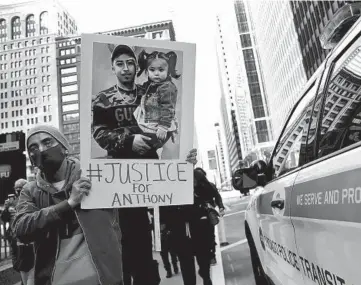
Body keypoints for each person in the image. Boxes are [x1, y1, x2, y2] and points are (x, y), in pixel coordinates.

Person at [92, 44, 198, 285]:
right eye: (120, 64)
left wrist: (184, 157)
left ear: (137, 66)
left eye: (130, 63)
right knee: (128, 246)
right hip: (121, 181)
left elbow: (172, 123)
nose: (126, 68)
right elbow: (98, 134)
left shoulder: (153, 90)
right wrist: (129, 141)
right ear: (113, 68)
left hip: (155, 177)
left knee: (150, 257)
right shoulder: (103, 99)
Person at [13, 125, 123, 285]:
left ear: (64, 147)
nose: (42, 150)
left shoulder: (95, 175)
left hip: (104, 279)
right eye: (33, 147)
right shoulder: (30, 190)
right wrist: (69, 203)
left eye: (48, 142)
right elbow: (22, 229)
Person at [160, 170, 217, 285]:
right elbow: (163, 209)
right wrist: (163, 223)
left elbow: (211, 194)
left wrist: (196, 182)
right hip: (179, 231)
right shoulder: (167, 187)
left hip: (199, 228)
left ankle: (206, 276)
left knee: (204, 260)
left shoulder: (195, 179)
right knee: (186, 266)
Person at [134, 50, 180, 149]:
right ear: (147, 70)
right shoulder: (150, 84)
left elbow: (168, 108)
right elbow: (141, 90)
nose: (156, 74)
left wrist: (163, 127)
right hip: (150, 124)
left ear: (168, 70)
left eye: (161, 70)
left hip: (160, 127)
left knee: (144, 146)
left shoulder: (167, 88)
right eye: (152, 70)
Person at [1, 179, 35, 285]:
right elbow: (4, 218)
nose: (18, 191)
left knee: (26, 264)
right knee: (17, 263)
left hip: (27, 239)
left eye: (20, 189)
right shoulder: (11, 202)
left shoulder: (31, 199)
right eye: (16, 189)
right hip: (14, 238)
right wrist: (6, 209)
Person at [194, 167, 225, 265]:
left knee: (208, 235)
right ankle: (210, 255)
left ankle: (211, 255)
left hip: (206, 213)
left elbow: (217, 196)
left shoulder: (208, 186)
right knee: (208, 235)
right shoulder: (192, 187)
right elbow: (217, 196)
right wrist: (220, 207)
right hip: (200, 213)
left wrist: (221, 207)